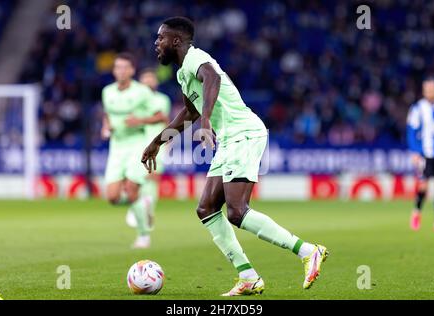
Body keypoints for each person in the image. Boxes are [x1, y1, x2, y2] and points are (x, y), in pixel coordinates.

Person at [141, 16, 329, 296]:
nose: (156, 44)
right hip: (228, 140)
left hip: (243, 134)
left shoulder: (196, 58)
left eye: (161, 38)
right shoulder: (183, 73)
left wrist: (206, 121)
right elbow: (189, 112)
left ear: (176, 41)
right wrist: (158, 141)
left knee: (237, 212)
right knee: (206, 209)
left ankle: (308, 251)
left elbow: (212, 78)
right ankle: (248, 276)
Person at [101, 53, 168, 248]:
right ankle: (141, 203)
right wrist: (106, 126)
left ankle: (143, 235)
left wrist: (139, 121)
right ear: (114, 70)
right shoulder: (107, 91)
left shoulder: (142, 92)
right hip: (116, 146)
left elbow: (161, 116)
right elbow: (107, 114)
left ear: (131, 70)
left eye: (125, 67)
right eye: (117, 67)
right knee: (113, 197)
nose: (121, 71)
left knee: (131, 188)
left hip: (138, 143)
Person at [125, 68, 171, 232]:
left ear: (155, 82)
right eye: (145, 78)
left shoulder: (162, 100)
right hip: (137, 142)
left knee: (153, 176)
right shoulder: (133, 99)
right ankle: (140, 206)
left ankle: (147, 210)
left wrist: (168, 141)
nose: (148, 81)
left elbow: (165, 120)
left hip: (157, 143)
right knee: (136, 176)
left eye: (151, 78)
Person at [407, 76, 434, 232]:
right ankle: (417, 212)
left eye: (432, 89)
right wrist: (414, 151)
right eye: (427, 90)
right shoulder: (418, 108)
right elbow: (412, 131)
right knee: (423, 185)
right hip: (424, 153)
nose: (430, 92)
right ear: (424, 91)